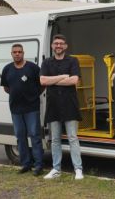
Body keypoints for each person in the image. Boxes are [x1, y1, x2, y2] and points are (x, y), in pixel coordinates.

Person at [40, 34, 84, 180]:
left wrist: (53, 81)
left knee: (73, 138)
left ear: (65, 46)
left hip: (70, 104)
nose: (58, 46)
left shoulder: (73, 60)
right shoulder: (46, 62)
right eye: (55, 43)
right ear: (52, 46)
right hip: (53, 105)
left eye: (61, 43)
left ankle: (78, 169)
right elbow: (43, 80)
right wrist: (62, 77)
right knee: (55, 139)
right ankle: (56, 169)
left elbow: (74, 80)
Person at [0, 44, 43, 176]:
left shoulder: (33, 68)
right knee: (20, 137)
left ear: (23, 53)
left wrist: (34, 96)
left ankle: (38, 165)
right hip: (16, 109)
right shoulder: (7, 69)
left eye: (19, 52)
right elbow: (6, 88)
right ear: (11, 54)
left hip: (32, 108)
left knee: (35, 136)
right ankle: (26, 164)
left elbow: (42, 84)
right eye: (15, 52)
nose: (17, 54)